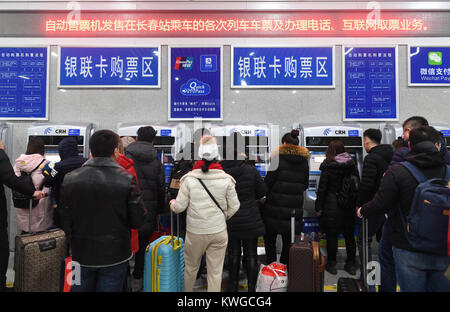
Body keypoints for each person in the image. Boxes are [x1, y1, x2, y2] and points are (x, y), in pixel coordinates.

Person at [358, 126, 450, 292]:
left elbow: (381, 203)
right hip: (444, 247)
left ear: (410, 146)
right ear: (437, 145)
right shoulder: (448, 172)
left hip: (408, 245)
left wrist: (363, 210)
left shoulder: (398, 171)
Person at [60, 130, 145, 292]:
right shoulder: (126, 179)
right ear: (115, 151)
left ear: (91, 150)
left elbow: (65, 216)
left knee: (77, 288)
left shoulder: (70, 178)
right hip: (115, 255)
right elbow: (138, 219)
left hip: (79, 253)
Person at [170, 135, 240, 292]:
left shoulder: (189, 179)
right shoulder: (226, 179)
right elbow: (235, 206)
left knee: (190, 269)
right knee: (215, 272)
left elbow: (179, 207)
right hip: (218, 231)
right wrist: (224, 217)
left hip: (195, 232)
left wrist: (172, 204)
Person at [378, 116, 429, 292]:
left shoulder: (401, 154)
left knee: (388, 258)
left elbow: (387, 188)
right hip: (437, 220)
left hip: (402, 219)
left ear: (409, 132)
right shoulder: (443, 154)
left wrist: (366, 209)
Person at [220, 132, 267, 292]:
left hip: (230, 219)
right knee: (251, 254)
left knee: (233, 253)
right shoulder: (250, 170)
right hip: (250, 218)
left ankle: (232, 287)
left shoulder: (220, 171)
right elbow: (262, 192)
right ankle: (252, 289)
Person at [0, 141, 44, 292]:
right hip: (39, 210)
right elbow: (10, 180)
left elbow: (13, 177)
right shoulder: (46, 163)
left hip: (21, 209)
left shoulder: (19, 163)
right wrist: (34, 192)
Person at [125, 126, 165, 290]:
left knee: (124, 244)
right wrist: (160, 210)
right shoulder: (156, 161)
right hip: (147, 209)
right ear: (153, 140)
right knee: (142, 246)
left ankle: (124, 279)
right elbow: (161, 188)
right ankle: (138, 279)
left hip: (126, 208)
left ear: (136, 138)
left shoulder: (125, 157)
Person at [263, 130, 310, 266]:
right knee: (288, 242)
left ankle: (271, 270)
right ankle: (284, 270)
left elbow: (267, 183)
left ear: (284, 143)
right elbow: (305, 185)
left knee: (270, 241)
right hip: (293, 211)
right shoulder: (303, 162)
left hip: (274, 209)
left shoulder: (277, 160)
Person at [315, 140, 359, 275]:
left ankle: (332, 264)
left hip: (331, 205)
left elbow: (322, 189)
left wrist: (318, 207)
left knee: (332, 236)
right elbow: (357, 184)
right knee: (349, 236)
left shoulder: (328, 166)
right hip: (348, 205)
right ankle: (351, 264)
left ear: (330, 151)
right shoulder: (351, 164)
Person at [356, 129, 393, 286]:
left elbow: (366, 185)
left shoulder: (371, 158)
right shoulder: (391, 155)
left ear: (366, 141)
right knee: (384, 244)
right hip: (388, 206)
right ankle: (383, 277)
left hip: (373, 206)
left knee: (364, 241)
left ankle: (368, 278)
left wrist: (360, 206)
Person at [41, 137, 87, 227]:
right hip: (83, 204)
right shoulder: (86, 162)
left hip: (63, 205)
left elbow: (48, 182)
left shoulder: (58, 167)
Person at [13, 137, 53, 233]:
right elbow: (50, 183)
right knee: (40, 238)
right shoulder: (47, 164)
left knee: (26, 236)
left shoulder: (18, 164)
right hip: (40, 205)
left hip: (23, 203)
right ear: (42, 149)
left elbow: (15, 182)